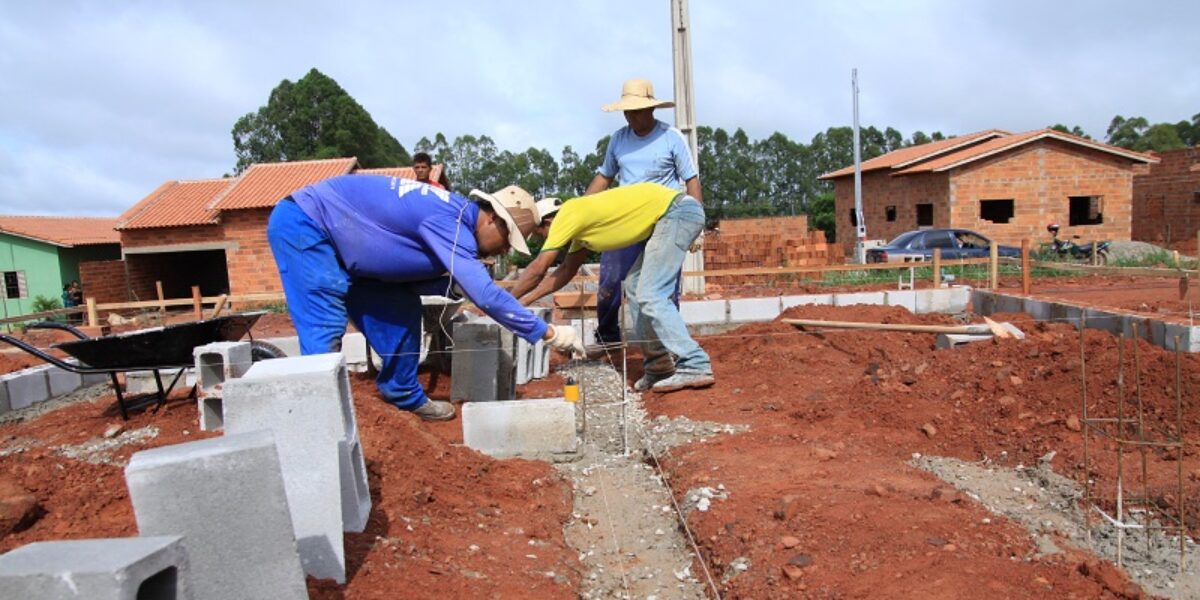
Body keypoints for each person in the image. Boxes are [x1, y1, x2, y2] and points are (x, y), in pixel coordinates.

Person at [266, 175, 581, 421]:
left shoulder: (455, 220)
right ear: (490, 219)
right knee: (326, 323)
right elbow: (486, 295)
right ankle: (319, 418)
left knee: (401, 310)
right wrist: (549, 333)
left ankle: (402, 394)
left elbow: (406, 266)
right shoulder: (452, 221)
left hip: (354, 252)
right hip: (308, 224)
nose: (504, 250)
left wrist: (454, 288)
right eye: (506, 239)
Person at [510, 182, 713, 393]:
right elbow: (565, 271)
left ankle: (695, 363)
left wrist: (506, 301)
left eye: (541, 234)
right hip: (672, 215)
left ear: (549, 221)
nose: (546, 239)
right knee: (635, 287)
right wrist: (524, 301)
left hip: (677, 212)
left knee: (651, 293)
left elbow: (539, 267)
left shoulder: (569, 213)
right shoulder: (581, 231)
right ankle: (659, 366)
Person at [585, 78, 703, 351]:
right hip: (626, 222)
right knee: (611, 279)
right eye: (627, 111)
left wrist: (695, 228)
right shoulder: (618, 139)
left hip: (663, 223)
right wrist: (579, 211)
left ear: (651, 109)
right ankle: (608, 338)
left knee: (661, 290)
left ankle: (665, 347)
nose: (631, 116)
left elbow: (691, 180)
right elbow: (604, 177)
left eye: (637, 110)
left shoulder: (671, 137)